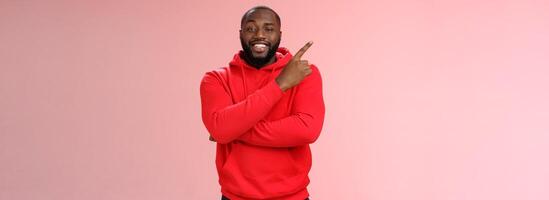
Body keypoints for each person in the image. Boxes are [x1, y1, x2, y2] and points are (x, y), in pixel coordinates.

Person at [200, 5, 325, 200]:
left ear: (279, 34)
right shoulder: (216, 78)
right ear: (241, 34)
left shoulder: (304, 74)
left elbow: (307, 129)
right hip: (235, 197)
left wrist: (232, 130)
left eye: (268, 28)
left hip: (293, 197)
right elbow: (220, 129)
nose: (259, 34)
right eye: (251, 28)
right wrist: (280, 84)